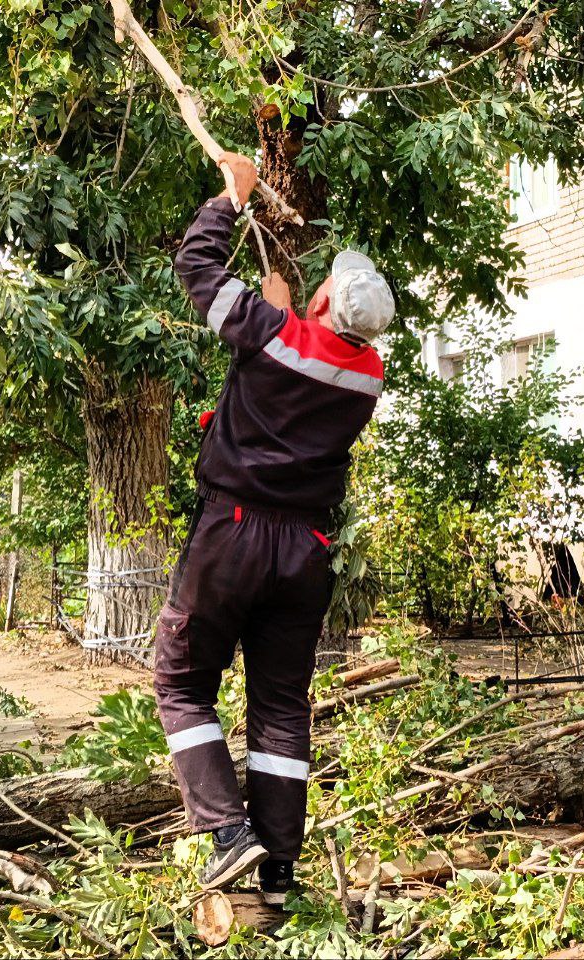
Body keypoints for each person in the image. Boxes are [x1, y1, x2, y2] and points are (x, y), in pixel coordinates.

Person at [157, 153, 394, 902]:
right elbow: (300, 354)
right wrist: (283, 311)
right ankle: (280, 872)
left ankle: (228, 835)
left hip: (232, 533)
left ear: (324, 300)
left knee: (182, 681)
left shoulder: (271, 334)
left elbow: (195, 266)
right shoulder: (367, 375)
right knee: (281, 706)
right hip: (306, 550)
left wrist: (232, 196)